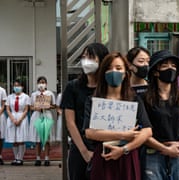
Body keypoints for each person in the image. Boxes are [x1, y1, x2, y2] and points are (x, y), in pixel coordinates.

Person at [83, 52, 152, 180]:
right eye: (108, 68)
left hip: (128, 157)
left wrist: (125, 149)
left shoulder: (134, 100)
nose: (113, 72)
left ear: (126, 73)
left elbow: (147, 131)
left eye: (118, 68)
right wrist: (122, 135)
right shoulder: (93, 100)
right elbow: (89, 132)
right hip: (104, 155)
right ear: (103, 73)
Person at [61, 42, 109, 180]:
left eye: (91, 57)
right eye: (84, 57)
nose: (86, 61)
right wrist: (84, 152)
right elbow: (70, 122)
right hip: (80, 147)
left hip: (105, 148)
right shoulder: (73, 87)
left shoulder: (109, 88)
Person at [142, 50, 179, 180]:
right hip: (153, 154)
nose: (170, 69)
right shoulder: (144, 98)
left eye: (173, 66)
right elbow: (142, 132)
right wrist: (164, 148)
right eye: (165, 66)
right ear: (155, 72)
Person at [29, 76, 56, 166]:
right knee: (38, 139)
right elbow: (31, 106)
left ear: (46, 84)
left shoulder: (50, 93)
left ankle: (47, 158)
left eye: (43, 82)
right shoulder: (34, 94)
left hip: (47, 115)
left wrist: (48, 106)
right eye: (40, 82)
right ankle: (38, 158)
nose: (42, 84)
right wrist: (35, 108)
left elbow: (54, 105)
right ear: (37, 83)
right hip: (37, 115)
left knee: (46, 138)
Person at [5, 79, 30, 166]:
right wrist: (12, 119)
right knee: (14, 139)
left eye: (18, 86)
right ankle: (15, 157)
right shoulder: (9, 97)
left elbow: (26, 110)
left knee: (20, 139)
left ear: (22, 87)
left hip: (21, 118)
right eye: (15, 86)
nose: (17, 87)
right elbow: (7, 109)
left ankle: (20, 158)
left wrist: (19, 119)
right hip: (12, 117)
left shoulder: (26, 97)